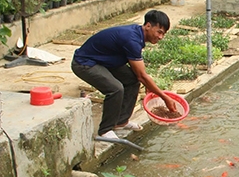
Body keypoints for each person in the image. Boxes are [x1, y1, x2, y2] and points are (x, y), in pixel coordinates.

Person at [71, 9, 178, 140]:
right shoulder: (131, 39)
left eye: (164, 34)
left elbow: (139, 75)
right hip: (84, 63)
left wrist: (149, 85)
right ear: (148, 26)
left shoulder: (137, 35)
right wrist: (165, 97)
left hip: (104, 61)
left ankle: (121, 122)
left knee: (132, 80)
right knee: (115, 88)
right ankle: (105, 130)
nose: (161, 37)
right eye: (159, 32)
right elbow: (142, 75)